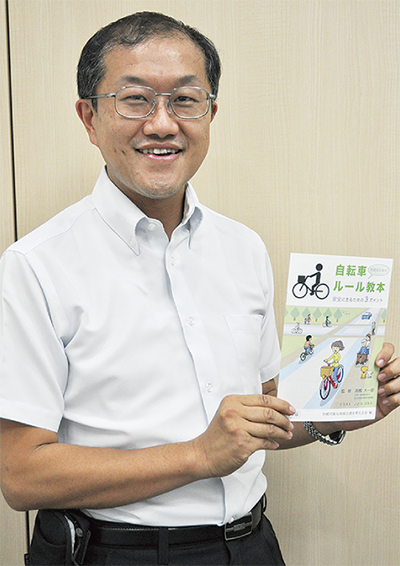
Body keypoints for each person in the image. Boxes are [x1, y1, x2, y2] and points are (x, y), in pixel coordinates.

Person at [0, 12, 399, 566]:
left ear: (210, 113)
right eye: (135, 100)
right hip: (114, 553)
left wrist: (333, 411)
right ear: (89, 117)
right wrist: (199, 455)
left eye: (186, 100)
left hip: (251, 544)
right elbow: (21, 475)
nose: (163, 123)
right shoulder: (34, 266)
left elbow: (261, 418)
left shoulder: (243, 248)